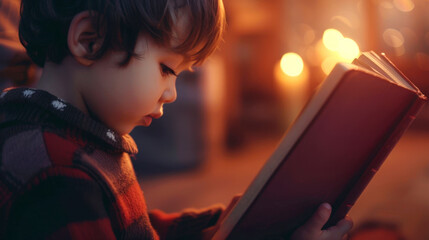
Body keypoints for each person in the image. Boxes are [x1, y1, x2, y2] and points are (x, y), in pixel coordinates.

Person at [0, 0, 352, 239]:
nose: (172, 93)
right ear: (89, 40)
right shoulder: (56, 179)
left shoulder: (74, 138)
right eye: (167, 68)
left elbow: (128, 227)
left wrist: (219, 226)